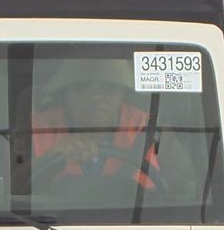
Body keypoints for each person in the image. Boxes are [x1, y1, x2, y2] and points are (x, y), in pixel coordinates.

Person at [31, 59, 161, 190]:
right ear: (66, 93)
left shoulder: (148, 128)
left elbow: (180, 187)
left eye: (108, 87)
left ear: (122, 93)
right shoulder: (34, 128)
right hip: (50, 211)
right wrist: (48, 159)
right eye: (82, 86)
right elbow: (14, 186)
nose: (95, 97)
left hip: (140, 211)